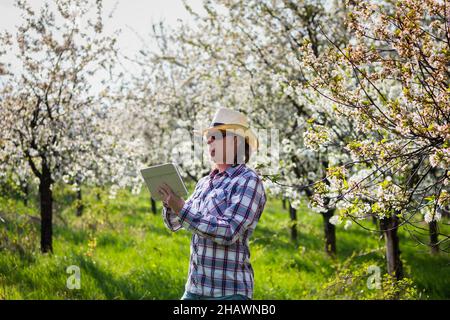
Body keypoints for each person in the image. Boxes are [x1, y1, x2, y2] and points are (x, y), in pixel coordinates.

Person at [158, 107, 266, 300]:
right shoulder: (204, 182)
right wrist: (170, 203)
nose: (208, 142)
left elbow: (229, 231)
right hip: (194, 289)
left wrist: (181, 208)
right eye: (208, 139)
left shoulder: (248, 180)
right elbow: (175, 224)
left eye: (215, 137)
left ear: (234, 141)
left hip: (229, 293)